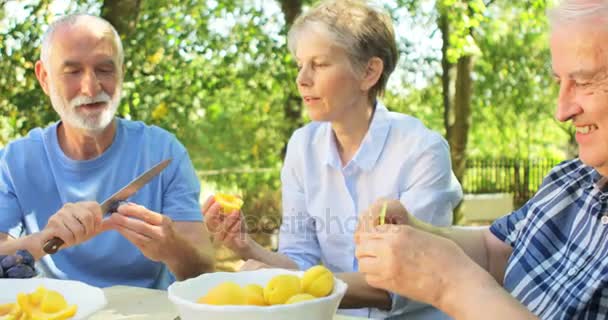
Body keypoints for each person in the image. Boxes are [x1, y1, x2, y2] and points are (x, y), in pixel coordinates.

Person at [203, 0, 462, 318]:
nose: (302, 79)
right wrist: (246, 247)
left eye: (320, 64)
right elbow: (300, 258)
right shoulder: (301, 147)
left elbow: (409, 280)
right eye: (300, 64)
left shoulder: (423, 151)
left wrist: (295, 283)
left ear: (369, 72)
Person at [355, 0, 608, 319]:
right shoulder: (568, 181)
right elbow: (495, 250)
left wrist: (450, 283)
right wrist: (417, 232)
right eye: (560, 82)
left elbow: (465, 279)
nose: (562, 111)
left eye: (584, 82)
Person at [0, 14, 214, 289]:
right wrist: (44, 239)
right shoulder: (14, 162)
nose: (91, 87)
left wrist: (172, 247)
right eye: (73, 71)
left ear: (121, 72)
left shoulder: (163, 150)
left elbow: (205, 271)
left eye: (104, 69)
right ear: (44, 77)